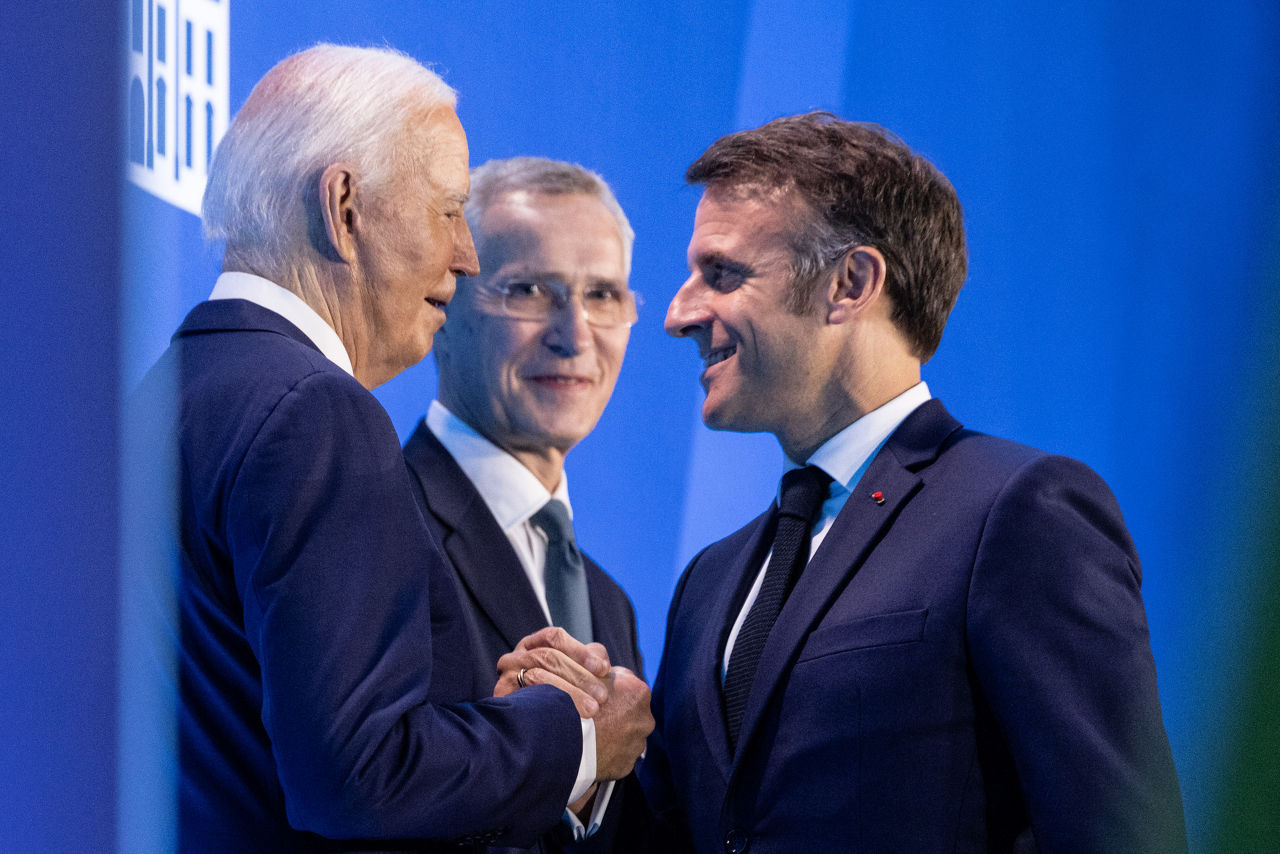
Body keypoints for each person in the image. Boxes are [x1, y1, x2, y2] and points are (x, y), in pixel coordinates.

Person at [132, 45, 650, 853]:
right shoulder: (317, 412)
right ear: (344, 206)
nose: (465, 257)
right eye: (447, 211)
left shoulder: (167, 392)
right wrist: (575, 735)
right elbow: (360, 777)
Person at [637, 112, 1186, 852]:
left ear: (850, 283)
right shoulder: (710, 581)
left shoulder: (1019, 511)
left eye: (723, 273)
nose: (678, 314)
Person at [402, 156, 643, 852]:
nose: (575, 334)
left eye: (603, 295)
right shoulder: (377, 521)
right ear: (443, 304)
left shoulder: (609, 602)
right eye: (531, 290)